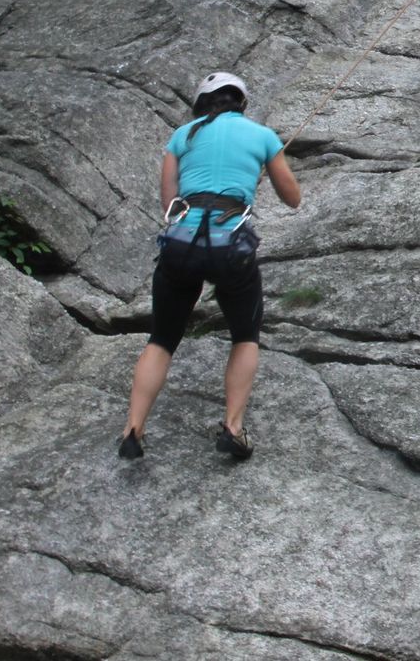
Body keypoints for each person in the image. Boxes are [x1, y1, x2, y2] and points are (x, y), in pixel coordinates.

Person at [119, 72, 301, 461]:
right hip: (230, 246)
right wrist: (260, 170)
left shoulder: (182, 136)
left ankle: (133, 429)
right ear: (241, 103)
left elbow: (169, 202)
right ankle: (233, 428)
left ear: (202, 103)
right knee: (245, 335)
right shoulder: (263, 136)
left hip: (181, 245)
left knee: (162, 338)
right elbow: (293, 199)